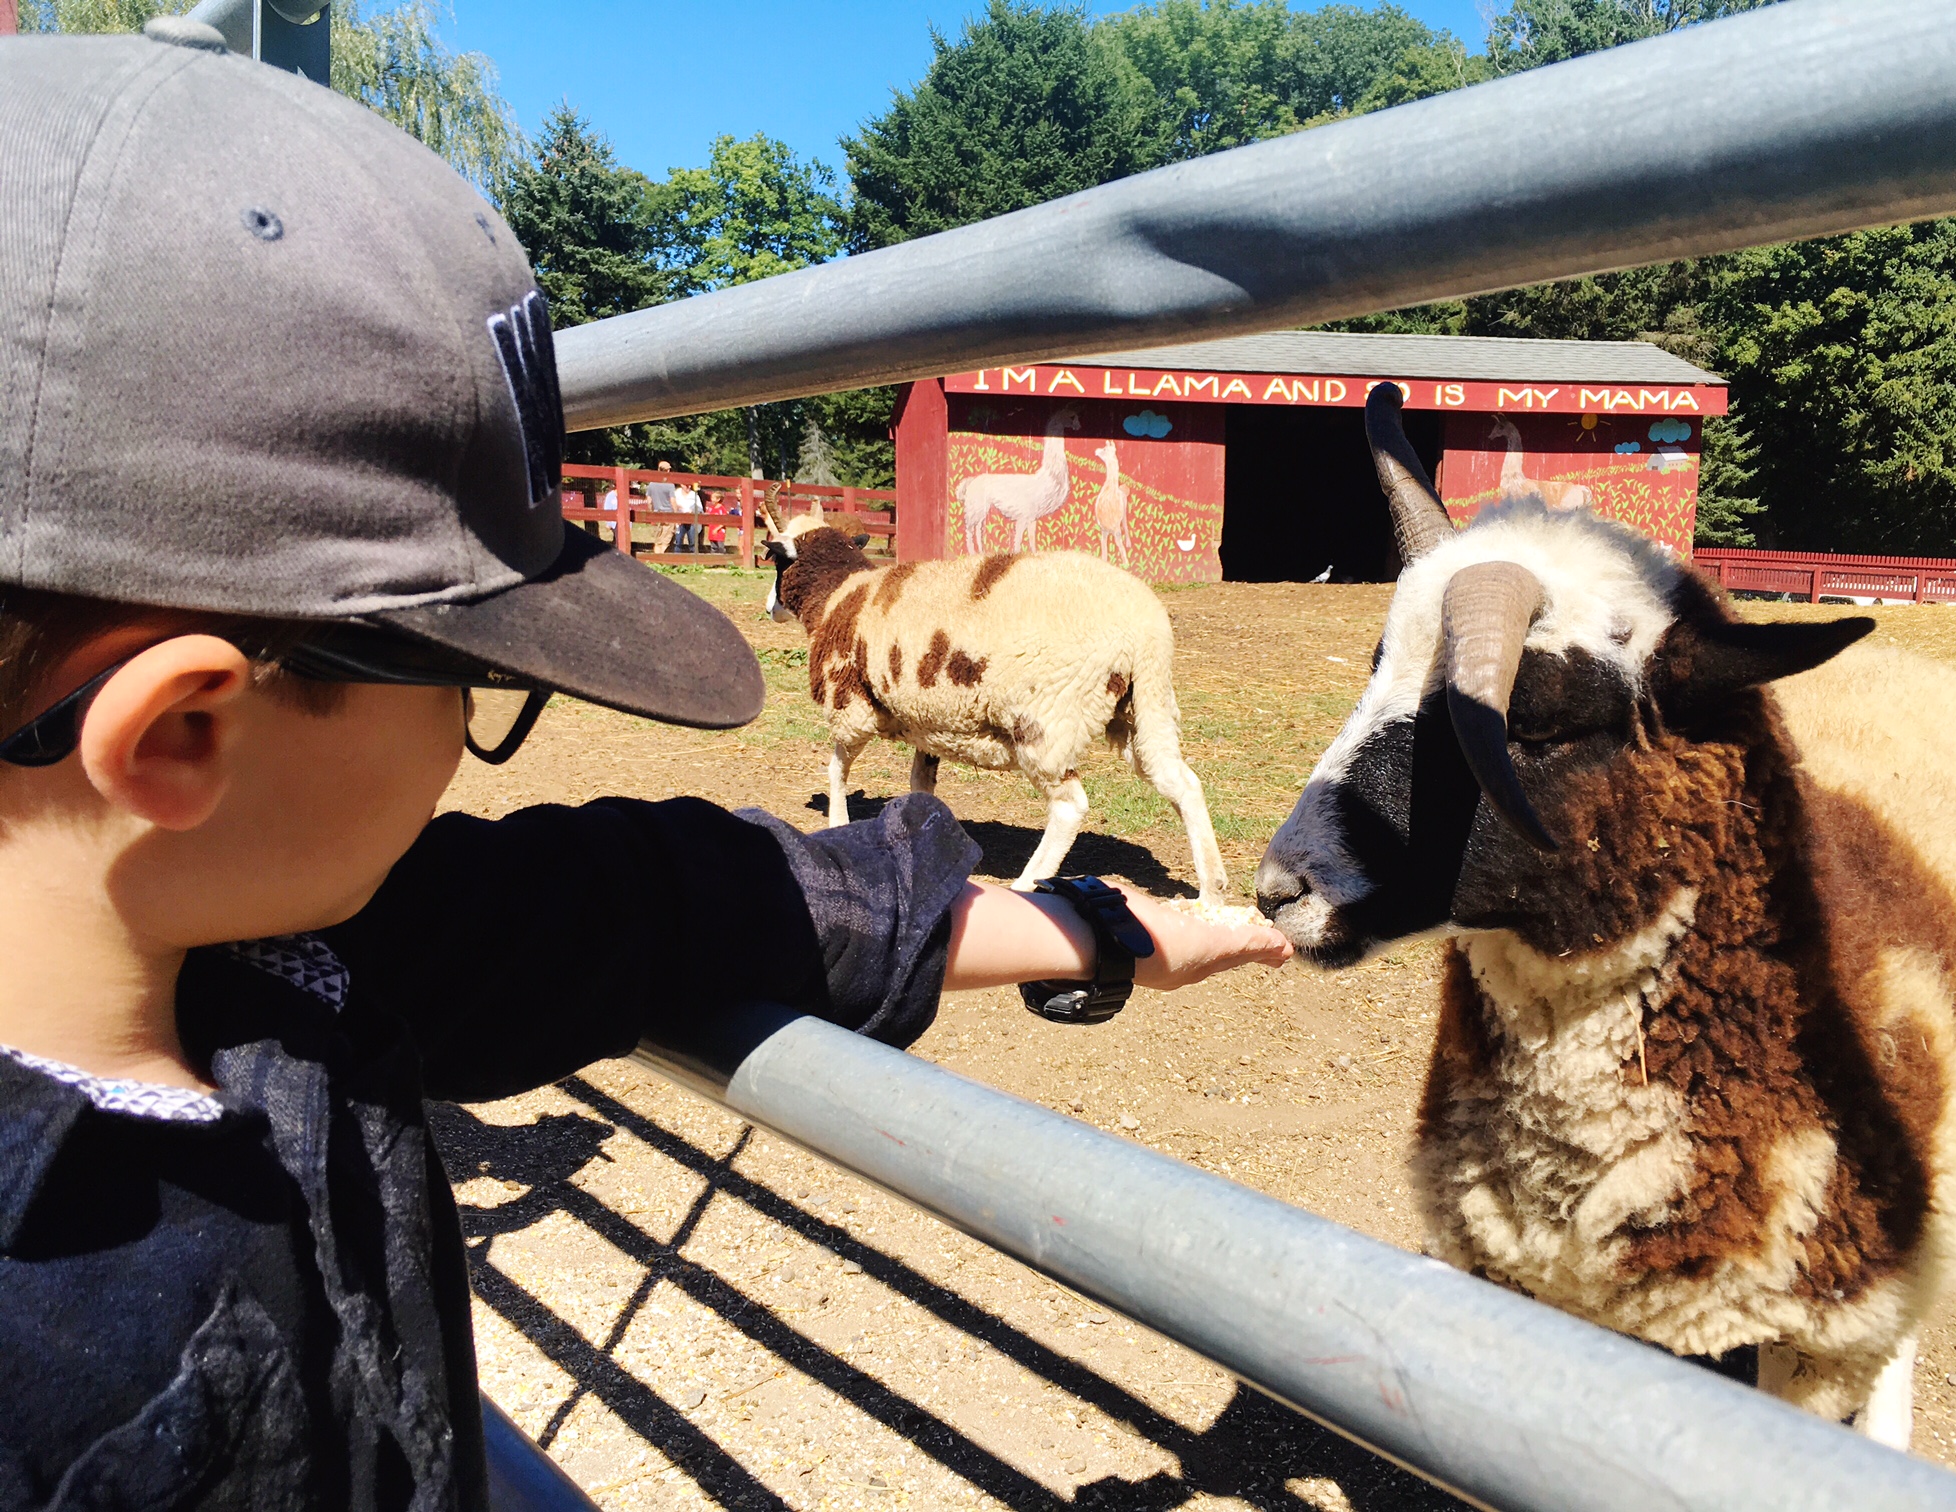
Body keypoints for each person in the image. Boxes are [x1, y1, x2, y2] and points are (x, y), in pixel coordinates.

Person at [0, 30, 1290, 1509]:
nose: (468, 742)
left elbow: (647, 902)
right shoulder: (75, 1374)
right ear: (185, 736)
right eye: (481, 684)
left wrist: (1094, 925)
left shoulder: (269, 949)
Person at [644, 460, 682, 554]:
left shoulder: (651, 484)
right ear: (667, 471)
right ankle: (662, 560)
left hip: (657, 514)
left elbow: (649, 501)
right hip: (668, 514)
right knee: (666, 540)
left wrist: (651, 512)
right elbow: (672, 501)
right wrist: (676, 515)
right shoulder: (669, 485)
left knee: (658, 540)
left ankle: (657, 559)